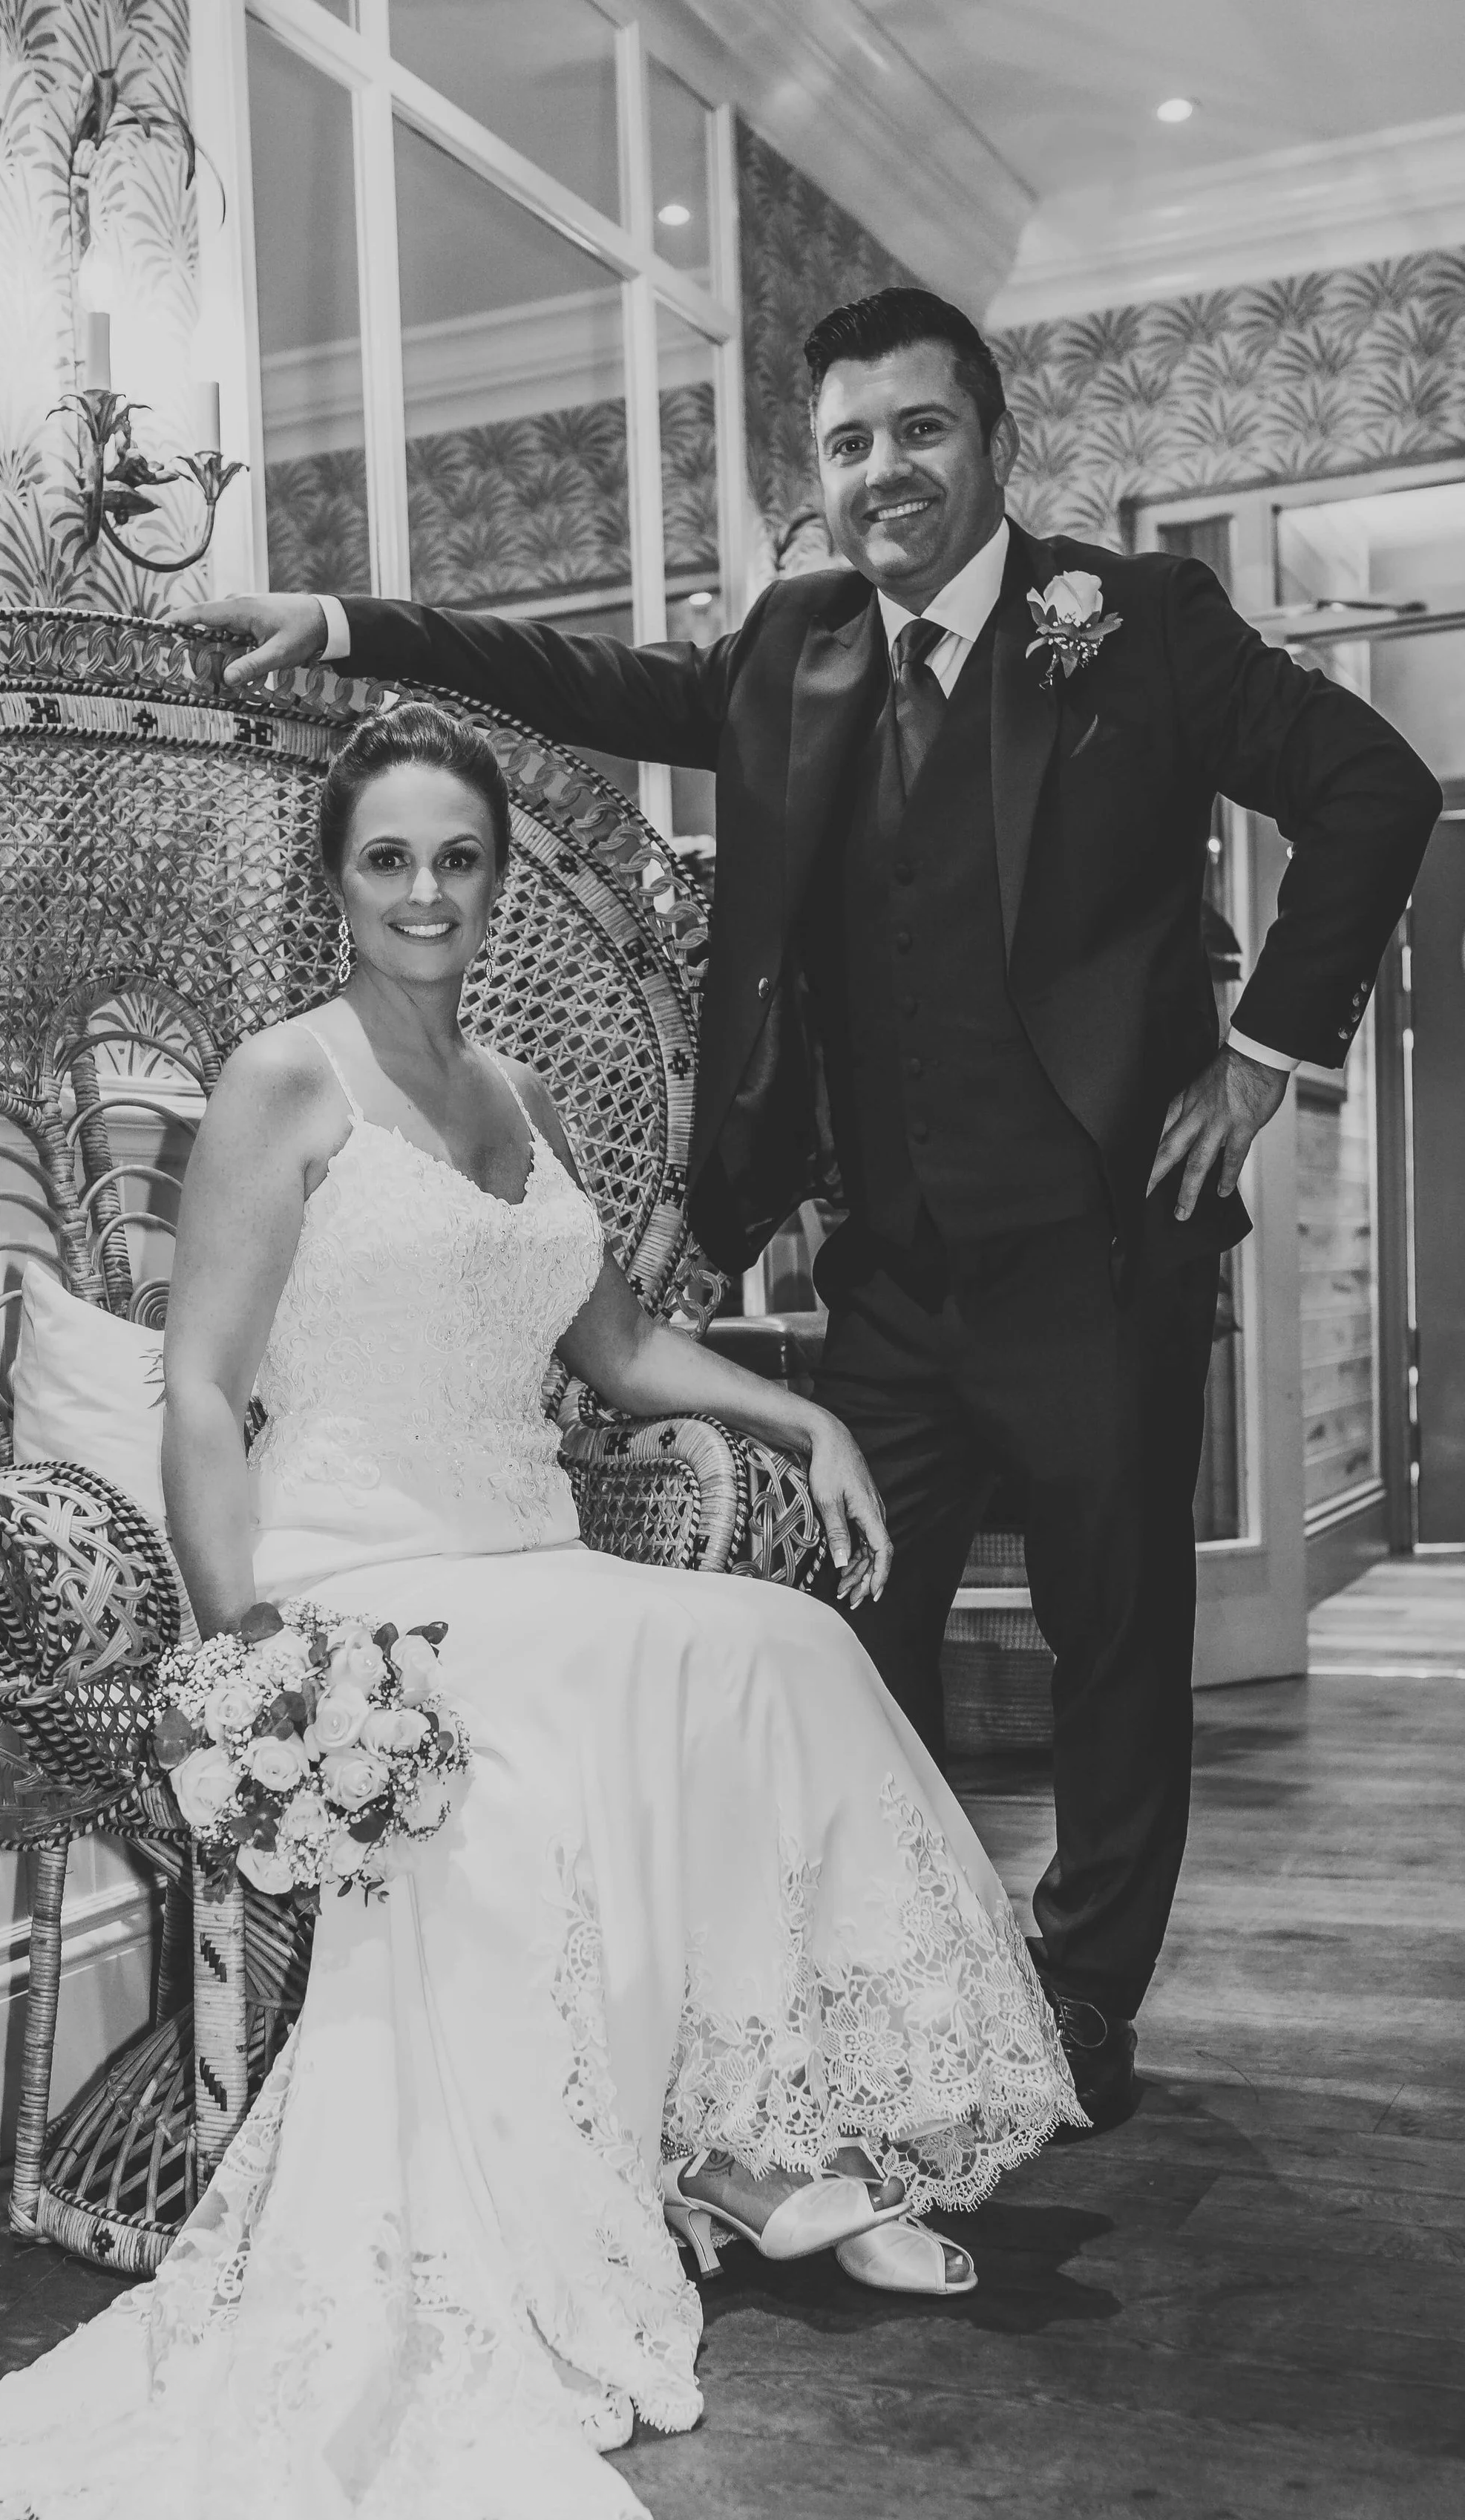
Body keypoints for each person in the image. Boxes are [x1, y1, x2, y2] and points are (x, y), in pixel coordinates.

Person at [0, 703, 1078, 2520]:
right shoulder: (279, 1084)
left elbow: (611, 1340)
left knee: (780, 1653)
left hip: (533, 1548)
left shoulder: (505, 1084)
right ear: (339, 881)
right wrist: (245, 1662)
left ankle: (775, 2135)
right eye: (385, 861)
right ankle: (733, 2169)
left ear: (491, 878)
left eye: (454, 862)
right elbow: (203, 1394)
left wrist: (800, 1408)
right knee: (565, 1745)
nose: (422, 894)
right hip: (367, 1584)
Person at [187, 286, 1441, 2133]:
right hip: (892, 1280)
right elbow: (593, 685)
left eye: (917, 433)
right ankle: (903, 1974)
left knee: (1110, 1646)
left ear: (992, 448)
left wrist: (1258, 1054)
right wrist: (354, 626)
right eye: (848, 446)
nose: (883, 475)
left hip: (1095, 1255)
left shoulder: (1138, 624)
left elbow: (1373, 788)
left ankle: (1084, 1995)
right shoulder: (793, 650)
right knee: (856, 1643)